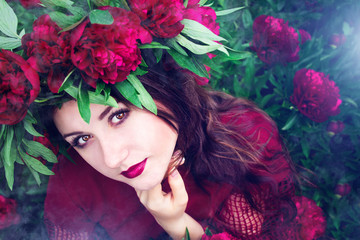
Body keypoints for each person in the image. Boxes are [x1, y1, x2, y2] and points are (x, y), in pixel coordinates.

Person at [0, 0, 326, 239]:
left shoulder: (245, 137)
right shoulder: (75, 182)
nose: (112, 158)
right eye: (82, 139)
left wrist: (176, 223)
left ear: (168, 88)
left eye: (118, 115)